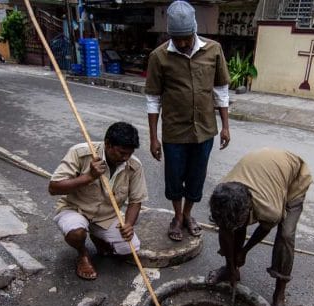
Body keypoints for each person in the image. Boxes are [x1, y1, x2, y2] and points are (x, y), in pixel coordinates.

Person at [145, 0, 231, 242]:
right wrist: (153, 137)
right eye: (177, 38)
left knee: (196, 176)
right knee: (174, 177)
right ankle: (177, 216)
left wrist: (225, 126)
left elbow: (221, 90)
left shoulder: (213, 50)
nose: (182, 43)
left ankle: (188, 214)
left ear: (194, 29)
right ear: (170, 34)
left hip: (205, 130)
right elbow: (153, 99)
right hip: (174, 131)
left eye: (186, 37)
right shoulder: (158, 57)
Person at [207, 148, 313, 306]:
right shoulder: (222, 193)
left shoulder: (269, 209)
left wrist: (244, 251)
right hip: (262, 171)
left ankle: (279, 294)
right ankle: (229, 270)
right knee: (231, 224)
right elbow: (226, 230)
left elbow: (264, 228)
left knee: (286, 235)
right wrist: (231, 265)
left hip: (293, 179)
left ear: (249, 207)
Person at [49, 122, 148, 280]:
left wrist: (129, 224)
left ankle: (97, 236)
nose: (126, 158)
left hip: (106, 216)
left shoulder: (134, 165)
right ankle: (82, 254)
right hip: (75, 209)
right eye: (122, 153)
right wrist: (89, 177)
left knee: (129, 248)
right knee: (76, 233)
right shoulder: (80, 152)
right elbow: (54, 188)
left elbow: (136, 200)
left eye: (129, 153)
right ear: (108, 144)